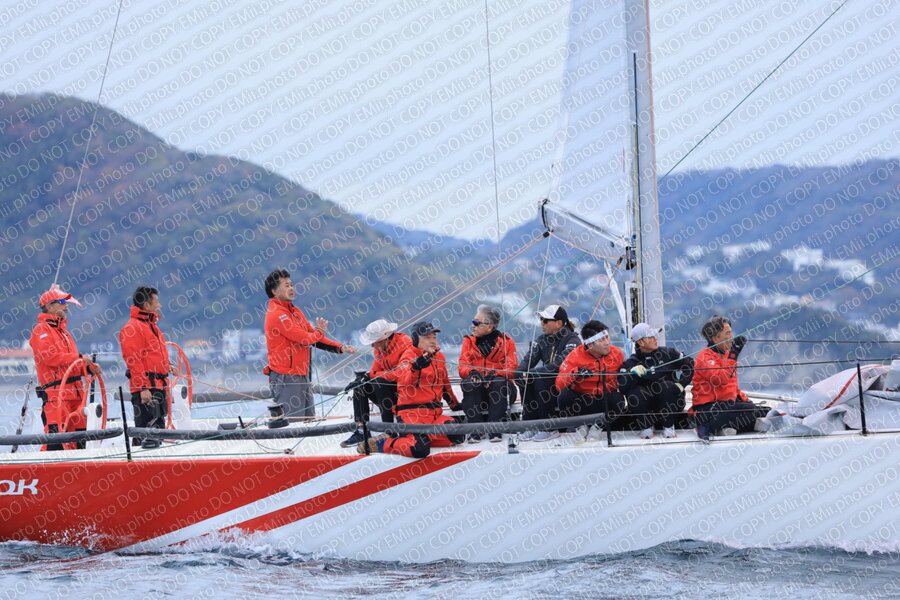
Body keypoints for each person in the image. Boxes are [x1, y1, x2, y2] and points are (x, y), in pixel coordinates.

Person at [263, 269, 356, 420]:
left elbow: (313, 337)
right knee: (293, 423)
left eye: (292, 285)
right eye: (286, 286)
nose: (291, 288)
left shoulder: (295, 311)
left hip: (302, 374)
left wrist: (340, 347)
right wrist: (320, 331)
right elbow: (305, 338)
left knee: (308, 420)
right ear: (274, 291)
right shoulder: (277, 314)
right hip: (286, 376)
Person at [360, 321, 463, 457]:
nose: (433, 340)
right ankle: (382, 444)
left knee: (458, 436)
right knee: (420, 450)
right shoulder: (408, 356)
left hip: (434, 415)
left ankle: (420, 437)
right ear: (415, 339)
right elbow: (404, 380)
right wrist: (415, 368)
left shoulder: (439, 357)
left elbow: (445, 385)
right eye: (427, 337)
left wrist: (455, 405)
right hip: (411, 415)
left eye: (434, 337)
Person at [29, 286, 101, 451]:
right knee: (56, 441)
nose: (66, 305)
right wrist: (79, 358)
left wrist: (88, 368)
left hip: (76, 396)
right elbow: (51, 358)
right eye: (61, 302)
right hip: (57, 397)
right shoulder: (41, 330)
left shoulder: (66, 334)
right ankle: (48, 467)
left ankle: (81, 467)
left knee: (80, 440)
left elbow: (72, 364)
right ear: (50, 307)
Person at [692, 315, 767, 442]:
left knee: (762, 410)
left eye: (731, 332)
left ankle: (725, 427)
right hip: (709, 408)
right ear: (716, 338)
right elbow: (720, 380)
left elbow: (732, 386)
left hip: (727, 406)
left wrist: (747, 401)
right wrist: (733, 355)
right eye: (727, 333)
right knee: (748, 410)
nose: (731, 336)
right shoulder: (704, 357)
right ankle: (707, 426)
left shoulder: (726, 354)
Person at [339, 319, 412, 448]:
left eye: (374, 342)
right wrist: (362, 378)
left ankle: (389, 430)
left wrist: (371, 375)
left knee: (379, 381)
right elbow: (374, 371)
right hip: (390, 394)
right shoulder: (379, 349)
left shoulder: (406, 344)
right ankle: (362, 430)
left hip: (407, 393)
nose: (372, 345)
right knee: (361, 384)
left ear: (386, 339)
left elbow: (401, 374)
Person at [118, 286, 174, 448]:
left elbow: (152, 355)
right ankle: (137, 459)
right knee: (145, 430)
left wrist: (168, 366)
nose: (159, 305)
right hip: (147, 388)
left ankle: (156, 460)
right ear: (147, 305)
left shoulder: (151, 326)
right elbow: (133, 361)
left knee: (158, 428)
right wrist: (143, 388)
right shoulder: (132, 328)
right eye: (157, 302)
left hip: (158, 386)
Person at [516, 304, 580, 442]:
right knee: (525, 377)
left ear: (558, 323)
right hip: (548, 382)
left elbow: (561, 364)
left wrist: (536, 372)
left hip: (568, 385)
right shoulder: (542, 340)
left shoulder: (572, 340)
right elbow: (528, 359)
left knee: (540, 377)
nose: (542, 323)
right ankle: (531, 425)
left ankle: (549, 428)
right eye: (541, 320)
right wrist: (519, 372)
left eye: (545, 320)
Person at [618, 323, 693, 439]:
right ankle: (646, 428)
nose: (655, 338)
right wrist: (631, 374)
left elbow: (690, 365)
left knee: (667, 386)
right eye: (651, 337)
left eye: (655, 335)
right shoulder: (631, 362)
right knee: (635, 392)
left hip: (671, 405)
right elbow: (622, 387)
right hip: (647, 410)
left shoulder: (669, 353)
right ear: (640, 342)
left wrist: (681, 384)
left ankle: (669, 427)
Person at [556, 320, 625, 439]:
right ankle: (579, 427)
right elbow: (559, 385)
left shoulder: (617, 353)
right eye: (601, 340)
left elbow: (626, 373)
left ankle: (598, 426)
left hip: (604, 400)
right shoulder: (575, 356)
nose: (607, 343)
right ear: (590, 345)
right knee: (564, 396)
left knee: (618, 399)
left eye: (607, 337)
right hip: (583, 402)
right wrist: (576, 373)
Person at [458, 305, 518, 443]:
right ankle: (476, 430)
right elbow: (462, 367)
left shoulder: (507, 342)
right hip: (478, 390)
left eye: (476, 323)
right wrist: (472, 372)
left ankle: (495, 429)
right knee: (469, 383)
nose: (472, 326)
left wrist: (495, 373)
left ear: (489, 327)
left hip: (502, 390)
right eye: (473, 322)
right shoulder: (468, 342)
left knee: (498, 382)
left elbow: (512, 369)